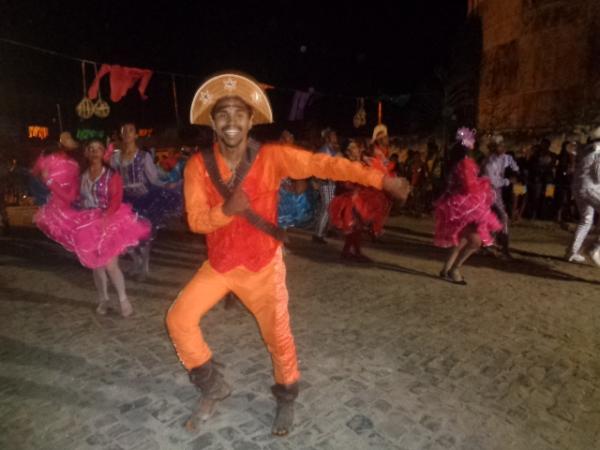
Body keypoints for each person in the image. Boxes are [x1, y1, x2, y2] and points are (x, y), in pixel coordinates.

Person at [165, 72, 410, 436]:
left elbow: (324, 165)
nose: (231, 121)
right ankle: (213, 384)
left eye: (239, 114)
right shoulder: (197, 166)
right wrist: (226, 211)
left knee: (278, 338)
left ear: (251, 121)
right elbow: (197, 221)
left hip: (264, 266)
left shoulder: (272, 156)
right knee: (178, 319)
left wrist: (381, 180)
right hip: (220, 265)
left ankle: (286, 397)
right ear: (212, 123)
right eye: (223, 114)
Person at [32, 135, 150, 316]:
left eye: (99, 148)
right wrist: (50, 181)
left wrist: (106, 219)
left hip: (109, 221)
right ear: (86, 153)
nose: (95, 152)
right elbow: (70, 197)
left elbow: (116, 200)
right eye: (91, 149)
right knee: (96, 266)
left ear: (104, 152)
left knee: (111, 265)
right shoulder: (82, 177)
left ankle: (123, 299)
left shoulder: (112, 174)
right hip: (87, 224)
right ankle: (103, 300)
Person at [110, 123, 182, 278]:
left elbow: (154, 179)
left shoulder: (144, 156)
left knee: (143, 236)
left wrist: (168, 185)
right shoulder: (115, 157)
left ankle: (145, 266)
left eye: (131, 130)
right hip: (125, 201)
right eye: (124, 131)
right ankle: (136, 261)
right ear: (121, 135)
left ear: (136, 135)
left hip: (144, 200)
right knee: (124, 235)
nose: (127, 133)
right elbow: (114, 178)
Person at [434, 128, 502, 284]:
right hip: (467, 205)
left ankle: (447, 268)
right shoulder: (465, 163)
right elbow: (468, 186)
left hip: (458, 205)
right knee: (475, 241)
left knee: (463, 239)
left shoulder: (455, 161)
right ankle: (454, 269)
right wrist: (483, 184)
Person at [329, 138, 393, 262]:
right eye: (352, 147)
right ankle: (354, 252)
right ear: (347, 151)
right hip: (349, 199)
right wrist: (356, 188)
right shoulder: (346, 164)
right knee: (355, 227)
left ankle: (348, 251)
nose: (356, 149)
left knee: (357, 227)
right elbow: (343, 183)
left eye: (356, 146)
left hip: (360, 198)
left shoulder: (362, 161)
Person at [565, 126, 600, 265]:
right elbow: (598, 176)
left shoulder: (588, 149)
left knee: (586, 220)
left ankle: (572, 252)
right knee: (586, 220)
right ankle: (595, 248)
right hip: (591, 187)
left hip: (579, 187)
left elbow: (571, 148)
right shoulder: (598, 150)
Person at [481, 134, 519, 257]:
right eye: (500, 145)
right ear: (494, 148)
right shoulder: (489, 163)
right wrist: (508, 181)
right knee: (502, 217)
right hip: (490, 191)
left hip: (496, 191)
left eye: (503, 145)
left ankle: (488, 246)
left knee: (493, 217)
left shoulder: (503, 158)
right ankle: (503, 250)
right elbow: (493, 181)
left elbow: (514, 167)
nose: (503, 147)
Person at [312, 127, 339, 243]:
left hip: (329, 182)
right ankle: (318, 234)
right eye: (333, 136)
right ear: (328, 138)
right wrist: (316, 180)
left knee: (327, 207)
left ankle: (322, 231)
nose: (336, 137)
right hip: (325, 182)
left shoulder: (331, 150)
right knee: (327, 207)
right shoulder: (324, 151)